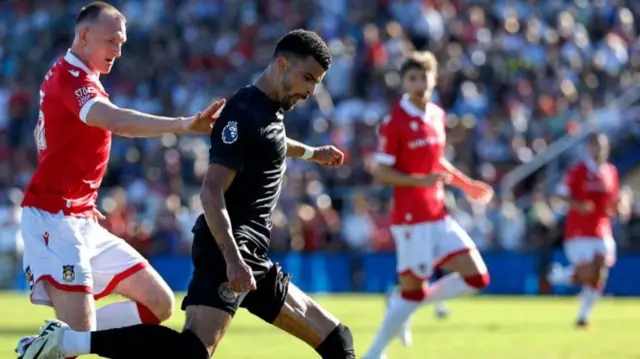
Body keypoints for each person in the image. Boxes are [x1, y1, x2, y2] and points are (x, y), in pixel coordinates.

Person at [21, 29, 356, 359]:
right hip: (230, 250)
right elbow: (211, 191)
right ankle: (68, 343)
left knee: (338, 340)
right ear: (283, 65)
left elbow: (272, 144)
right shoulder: (245, 111)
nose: (311, 90)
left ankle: (69, 341)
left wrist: (312, 153)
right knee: (191, 352)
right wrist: (232, 258)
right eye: (308, 78)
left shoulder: (270, 112)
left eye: (317, 82)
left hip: (250, 254)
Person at [15, 2, 225, 357]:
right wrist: (183, 124)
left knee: (159, 303)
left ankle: (49, 343)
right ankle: (57, 342)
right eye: (111, 41)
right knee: (77, 343)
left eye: (122, 43)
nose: (118, 51)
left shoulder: (83, 78)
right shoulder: (71, 77)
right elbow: (115, 120)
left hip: (81, 217)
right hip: (55, 220)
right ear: (83, 36)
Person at [363, 51, 493, 359]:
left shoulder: (436, 114)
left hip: (438, 214)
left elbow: (438, 162)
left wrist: (467, 184)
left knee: (478, 277)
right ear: (404, 82)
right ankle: (374, 353)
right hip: (411, 219)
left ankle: (401, 301)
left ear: (434, 79)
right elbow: (381, 170)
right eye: (412, 78)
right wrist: (420, 181)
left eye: (424, 77)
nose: (419, 83)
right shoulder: (394, 121)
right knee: (413, 292)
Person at [548, 132, 625, 328]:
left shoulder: (611, 171)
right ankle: (560, 276)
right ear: (589, 148)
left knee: (599, 274)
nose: (600, 149)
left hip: (602, 228)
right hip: (579, 230)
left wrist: (618, 207)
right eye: (596, 145)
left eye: (603, 145)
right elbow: (560, 194)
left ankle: (583, 316)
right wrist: (579, 205)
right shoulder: (578, 170)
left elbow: (613, 199)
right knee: (589, 271)